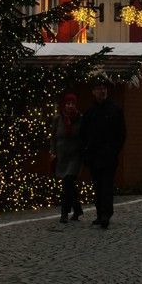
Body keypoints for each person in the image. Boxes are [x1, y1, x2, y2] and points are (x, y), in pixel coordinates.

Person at [79, 74, 126, 230]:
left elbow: (121, 133)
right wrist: (86, 152)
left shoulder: (115, 109)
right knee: (98, 186)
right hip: (94, 155)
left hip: (109, 155)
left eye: (104, 88)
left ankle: (106, 214)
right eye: (99, 89)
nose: (102, 91)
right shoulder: (90, 112)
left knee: (106, 186)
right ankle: (100, 214)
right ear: (93, 91)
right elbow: (83, 134)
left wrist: (114, 151)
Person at [51, 92, 84, 226]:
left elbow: (83, 136)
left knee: (68, 182)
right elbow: (53, 137)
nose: (70, 106)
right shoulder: (58, 119)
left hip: (75, 156)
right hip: (62, 156)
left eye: (72, 104)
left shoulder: (80, 118)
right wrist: (53, 152)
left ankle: (64, 213)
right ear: (64, 105)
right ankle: (77, 210)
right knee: (69, 185)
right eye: (68, 103)